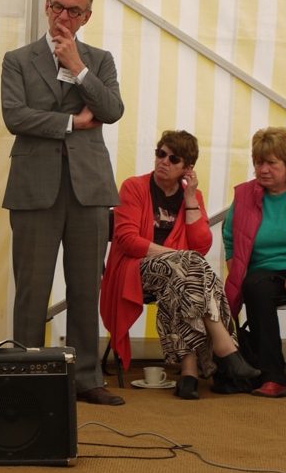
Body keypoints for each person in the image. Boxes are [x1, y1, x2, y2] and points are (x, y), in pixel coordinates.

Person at [1, 0, 126, 406]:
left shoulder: (100, 60)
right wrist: (73, 122)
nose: (63, 16)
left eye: (74, 10)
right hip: (34, 187)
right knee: (32, 289)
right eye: (57, 6)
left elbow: (112, 110)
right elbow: (15, 116)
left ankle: (86, 377)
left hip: (89, 188)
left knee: (85, 287)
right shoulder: (17, 59)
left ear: (86, 16)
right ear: (46, 5)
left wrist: (77, 65)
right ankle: (26, 374)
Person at [99, 130, 259, 399]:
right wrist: (174, 255)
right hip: (133, 269)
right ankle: (227, 351)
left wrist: (191, 199)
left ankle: (189, 374)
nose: (164, 161)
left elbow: (201, 244)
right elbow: (127, 240)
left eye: (174, 159)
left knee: (186, 280)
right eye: (161, 154)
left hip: (179, 277)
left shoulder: (191, 197)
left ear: (188, 168)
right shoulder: (134, 187)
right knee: (192, 267)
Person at [223, 127, 286, 398]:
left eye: (271, 163)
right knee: (255, 288)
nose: (263, 169)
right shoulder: (245, 195)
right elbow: (229, 239)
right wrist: (236, 270)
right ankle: (274, 377)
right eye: (259, 162)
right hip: (264, 269)